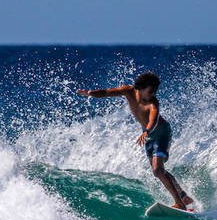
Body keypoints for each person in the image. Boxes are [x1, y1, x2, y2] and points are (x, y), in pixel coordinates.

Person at [77, 71, 194, 210]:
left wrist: (146, 130)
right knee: (159, 171)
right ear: (140, 87)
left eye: (155, 91)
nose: (153, 94)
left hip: (161, 132)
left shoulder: (153, 102)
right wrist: (90, 93)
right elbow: (106, 92)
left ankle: (180, 204)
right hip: (148, 136)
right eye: (150, 91)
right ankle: (183, 195)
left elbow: (154, 119)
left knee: (157, 170)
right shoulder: (128, 91)